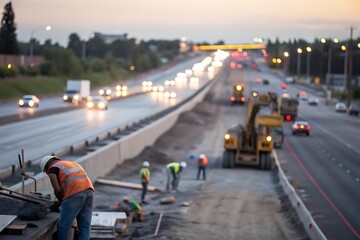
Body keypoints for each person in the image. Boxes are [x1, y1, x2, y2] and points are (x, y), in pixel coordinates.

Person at [40, 155, 94, 240]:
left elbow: (57, 190)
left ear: (46, 167)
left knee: (63, 226)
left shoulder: (52, 169)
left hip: (75, 193)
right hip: (89, 191)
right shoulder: (72, 164)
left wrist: (61, 202)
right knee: (85, 226)